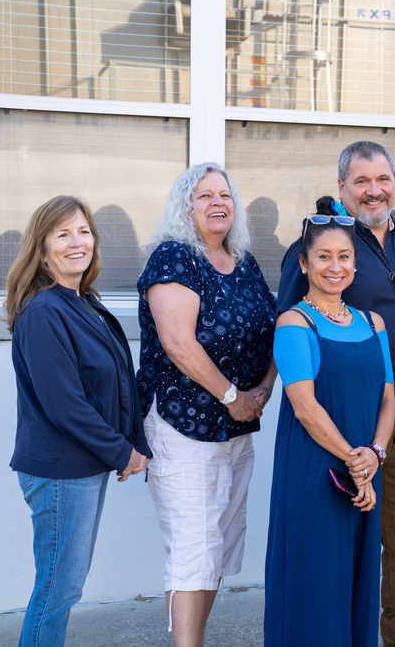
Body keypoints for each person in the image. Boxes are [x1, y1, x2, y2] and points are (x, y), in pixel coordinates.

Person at [277, 141, 395, 647]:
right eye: (362, 182)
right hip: (338, 428)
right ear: (342, 186)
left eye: (384, 179)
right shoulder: (323, 241)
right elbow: (288, 323)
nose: (375, 191)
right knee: (336, 546)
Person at [137, 162, 278, 647]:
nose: (219, 203)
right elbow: (178, 343)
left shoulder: (244, 261)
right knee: (193, 551)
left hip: (237, 428)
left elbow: (274, 328)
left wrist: (263, 388)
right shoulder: (173, 259)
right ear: (185, 206)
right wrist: (233, 396)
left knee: (215, 548)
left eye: (225, 195)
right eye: (205, 196)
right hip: (183, 426)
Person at [7, 196, 151, 646]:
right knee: (56, 590)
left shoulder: (82, 301)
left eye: (84, 231)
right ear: (43, 248)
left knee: (63, 586)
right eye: (63, 233)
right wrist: (121, 451)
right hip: (59, 473)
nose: (77, 242)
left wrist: (134, 442)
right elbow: (65, 405)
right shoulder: (45, 312)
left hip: (82, 467)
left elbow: (117, 382)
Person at [265, 196, 395, 646]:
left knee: (358, 584)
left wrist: (374, 455)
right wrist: (354, 462)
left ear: (355, 264)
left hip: (364, 472)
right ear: (303, 263)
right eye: (324, 256)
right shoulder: (293, 323)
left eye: (344, 257)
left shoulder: (374, 322)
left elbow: (388, 399)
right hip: (316, 477)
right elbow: (305, 407)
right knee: (315, 588)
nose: (334, 266)